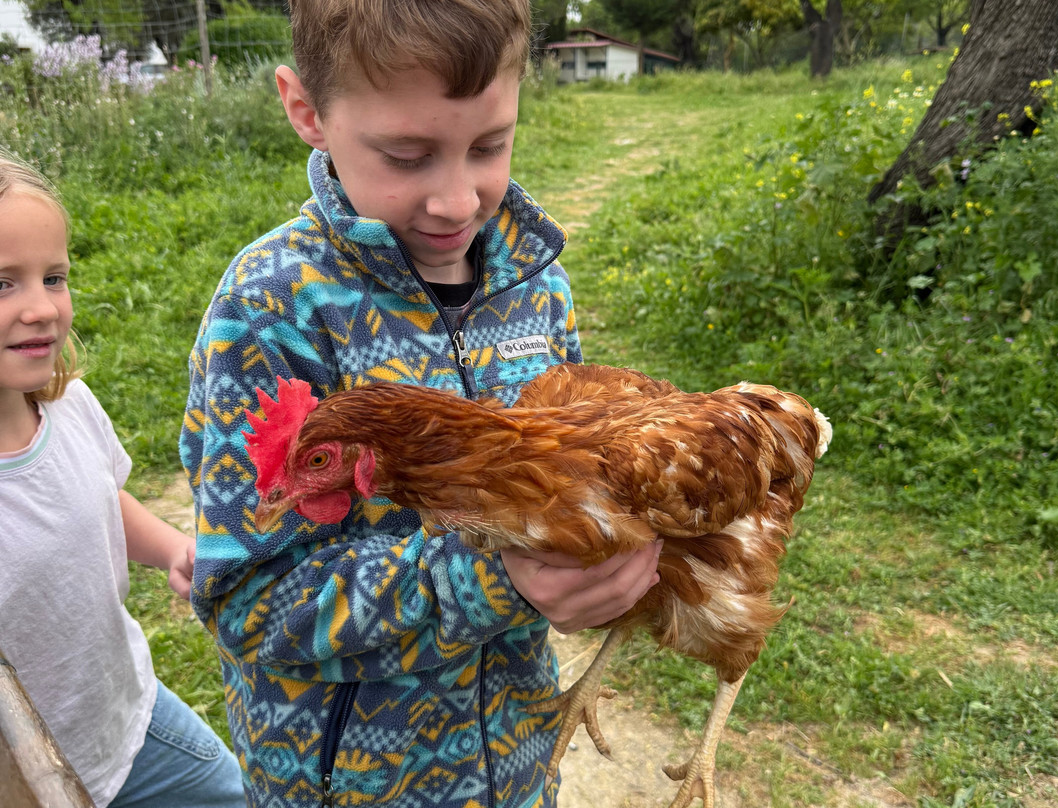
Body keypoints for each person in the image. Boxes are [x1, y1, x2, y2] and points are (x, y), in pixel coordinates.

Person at [179, 1, 663, 806]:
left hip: (515, 760)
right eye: (407, 156)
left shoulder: (535, 286)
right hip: (348, 784)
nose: (456, 201)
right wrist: (496, 578)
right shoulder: (272, 312)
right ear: (307, 112)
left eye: (489, 146)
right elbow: (252, 607)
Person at [0, 151, 247, 808]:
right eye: (4, 284)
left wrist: (172, 549)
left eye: (54, 278)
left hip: (127, 722)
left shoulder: (69, 408)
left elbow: (100, 496)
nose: (41, 308)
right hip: (23, 779)